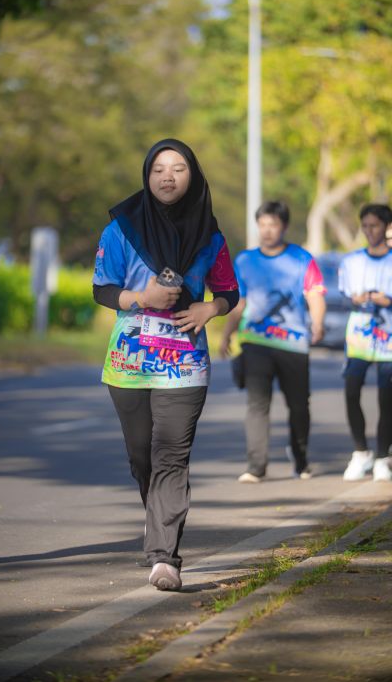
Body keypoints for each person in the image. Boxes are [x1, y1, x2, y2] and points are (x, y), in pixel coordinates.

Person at [93, 139, 239, 591]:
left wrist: (210, 309)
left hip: (185, 363)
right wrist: (142, 298)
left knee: (171, 456)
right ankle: (157, 518)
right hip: (130, 362)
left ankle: (164, 557)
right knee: (142, 457)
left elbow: (228, 292)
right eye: (159, 169)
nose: (167, 176)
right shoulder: (120, 229)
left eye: (178, 168)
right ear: (147, 175)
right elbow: (102, 288)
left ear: (193, 176)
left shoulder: (210, 236)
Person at [220, 200, 326, 482]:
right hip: (255, 341)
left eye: (273, 225)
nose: (267, 230)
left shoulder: (302, 258)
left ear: (284, 227)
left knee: (299, 405)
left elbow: (315, 294)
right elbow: (239, 302)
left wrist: (317, 323)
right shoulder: (245, 260)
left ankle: (300, 459)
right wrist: (227, 334)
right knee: (257, 404)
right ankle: (256, 466)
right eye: (262, 224)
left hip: (293, 342)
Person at [339, 203, 392, 482]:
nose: (370, 231)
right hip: (359, 336)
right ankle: (361, 451)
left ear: (386, 227)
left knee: (386, 397)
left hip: (388, 339)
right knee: (351, 390)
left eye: (375, 225)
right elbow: (346, 295)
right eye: (366, 226)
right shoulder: (352, 261)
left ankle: (383, 456)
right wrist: (357, 299)